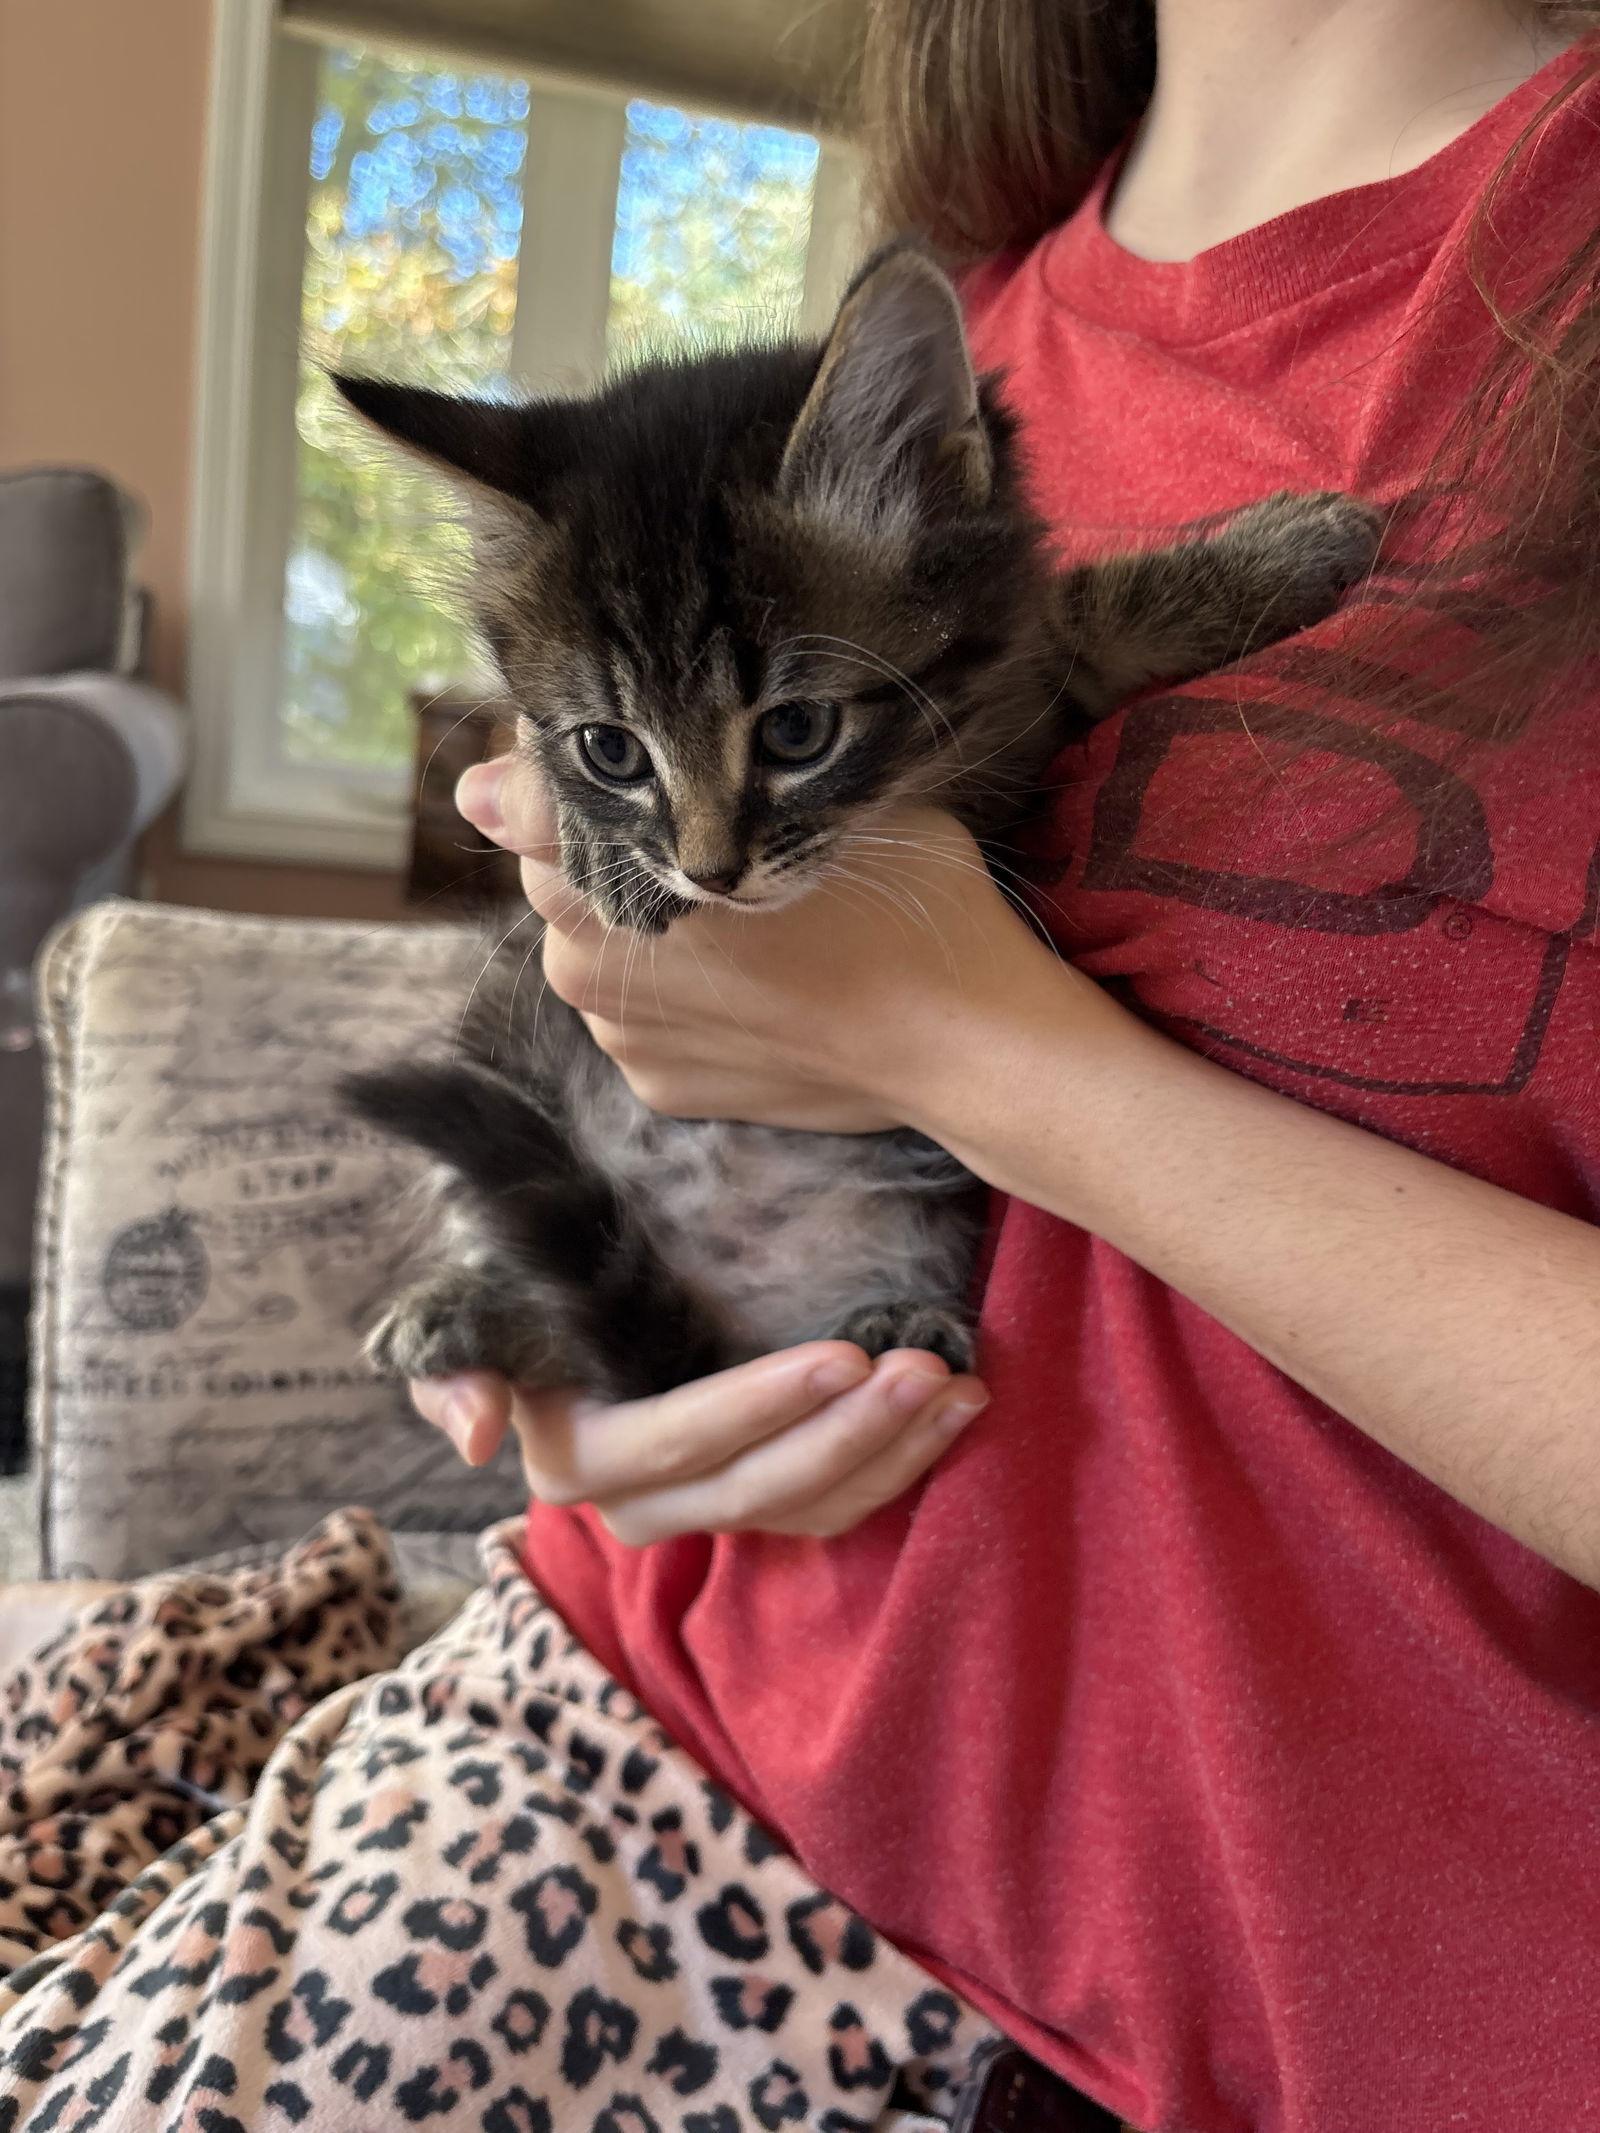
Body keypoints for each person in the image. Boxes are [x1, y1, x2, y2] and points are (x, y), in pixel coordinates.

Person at [3, 5, 1596, 2131]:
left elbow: (1015, 729)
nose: (715, 854)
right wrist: (587, 1394)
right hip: (639, 1713)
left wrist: (960, 1048)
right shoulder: (971, 297)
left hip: (1311, 2006)